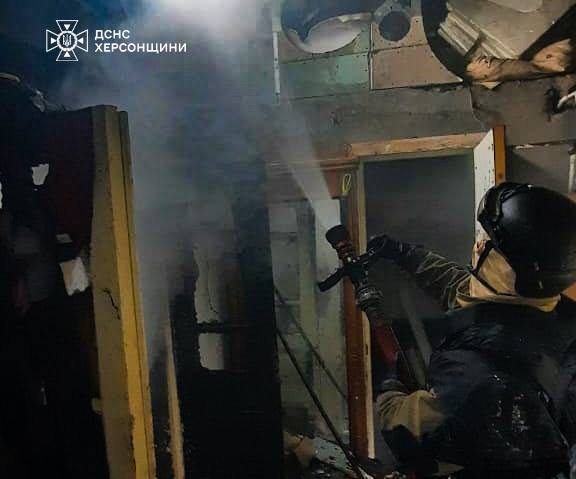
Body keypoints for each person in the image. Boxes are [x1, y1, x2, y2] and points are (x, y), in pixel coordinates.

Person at [356, 183, 576, 478]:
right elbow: (459, 288)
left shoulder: (480, 372)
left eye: (491, 244)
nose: (479, 245)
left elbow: (407, 432)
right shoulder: (547, 310)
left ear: (515, 270)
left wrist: (389, 388)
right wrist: (403, 253)